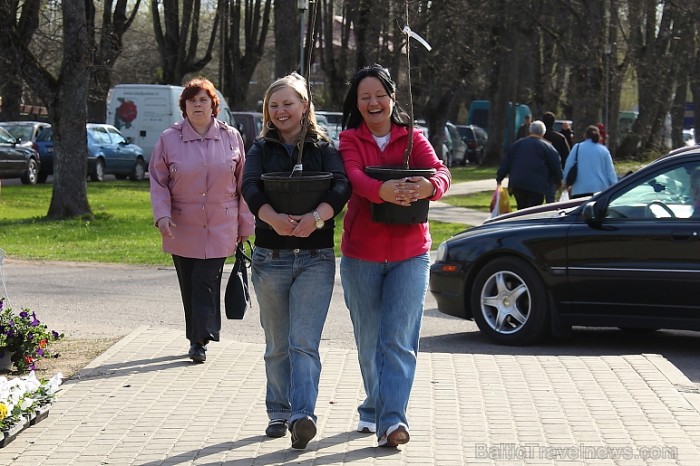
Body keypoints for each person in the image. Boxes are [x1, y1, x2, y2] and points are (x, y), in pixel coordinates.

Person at [338, 64, 451, 448]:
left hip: (410, 254)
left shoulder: (412, 137)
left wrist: (428, 186)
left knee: (399, 339)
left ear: (392, 99)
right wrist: (383, 191)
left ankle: (392, 421)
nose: (373, 102)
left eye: (379, 95)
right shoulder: (350, 139)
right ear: (357, 103)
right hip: (361, 255)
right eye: (365, 97)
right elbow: (353, 176)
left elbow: (441, 173)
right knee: (370, 340)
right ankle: (373, 406)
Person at [241, 73, 350, 450]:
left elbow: (341, 185)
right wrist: (271, 218)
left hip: (316, 258)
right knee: (278, 343)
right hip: (270, 257)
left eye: (288, 103)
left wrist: (316, 218)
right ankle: (279, 410)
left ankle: (303, 415)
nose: (280, 111)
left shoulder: (323, 146)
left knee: (304, 341)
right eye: (273, 105)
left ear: (305, 106)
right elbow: (249, 186)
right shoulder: (260, 148)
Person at [149, 77, 255, 364]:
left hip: (221, 223)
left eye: (203, 100)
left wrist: (246, 224)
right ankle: (197, 334)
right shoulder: (168, 139)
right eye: (192, 100)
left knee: (205, 281)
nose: (198, 105)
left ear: (213, 105)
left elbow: (243, 182)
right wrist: (162, 215)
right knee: (190, 283)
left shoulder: (231, 136)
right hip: (182, 225)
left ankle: (200, 340)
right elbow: (158, 182)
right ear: (184, 106)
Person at [497, 120, 563, 209]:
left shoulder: (517, 144)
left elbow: (506, 163)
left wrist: (499, 178)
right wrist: (559, 181)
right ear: (543, 133)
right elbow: (556, 166)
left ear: (530, 131)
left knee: (521, 208)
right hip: (537, 185)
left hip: (517, 183)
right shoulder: (548, 148)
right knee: (532, 210)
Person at [563, 125, 617, 198]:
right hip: (600, 190)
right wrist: (614, 187)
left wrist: (565, 182)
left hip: (579, 189)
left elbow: (568, 166)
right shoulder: (603, 150)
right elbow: (610, 172)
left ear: (585, 135)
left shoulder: (577, 148)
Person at [541, 112, 570, 202]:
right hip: (554, 173)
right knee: (551, 200)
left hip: (539, 172)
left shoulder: (538, 138)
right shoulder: (560, 138)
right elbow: (567, 155)